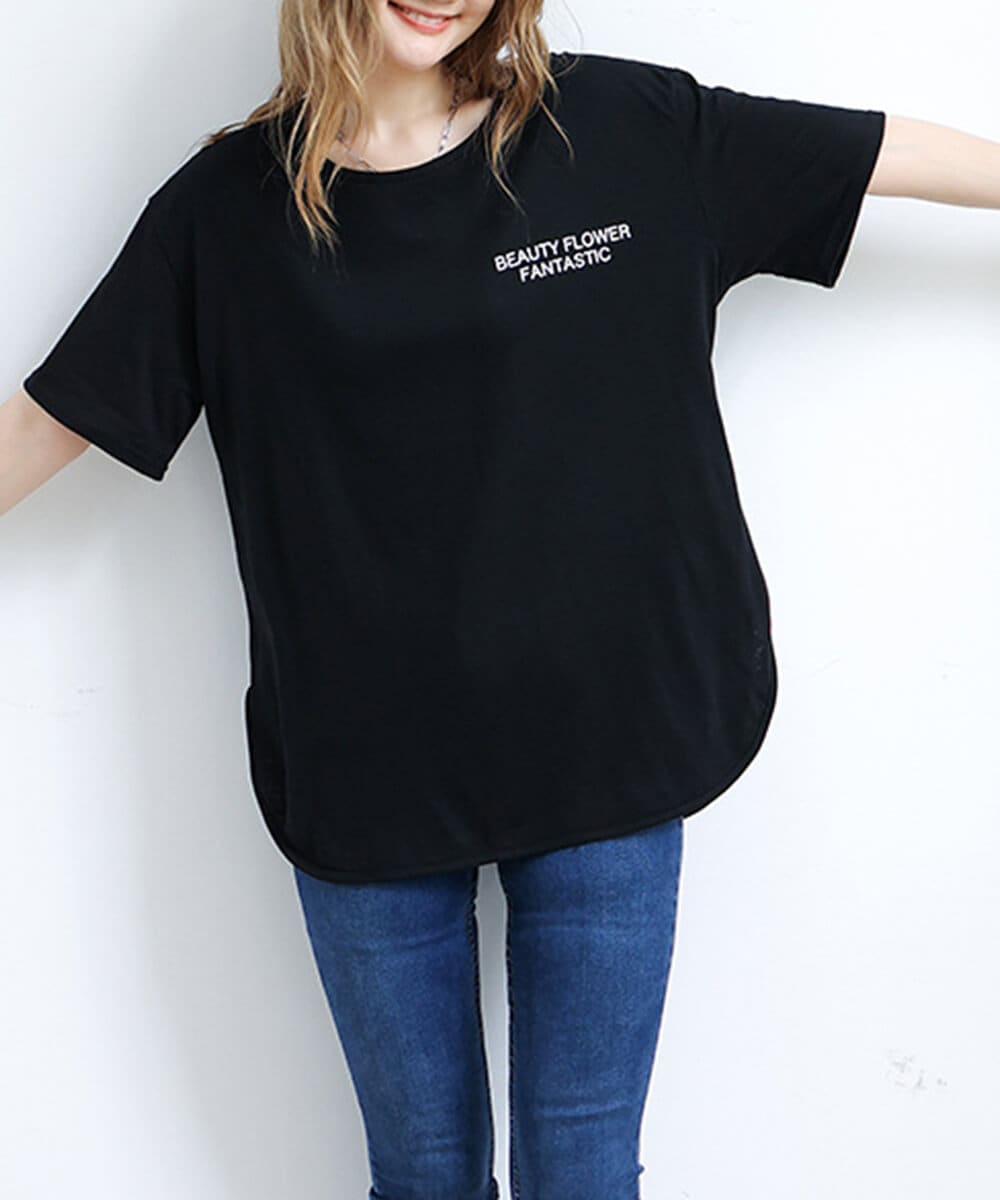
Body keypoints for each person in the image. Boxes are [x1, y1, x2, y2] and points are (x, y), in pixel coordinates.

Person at [3, 1, 998, 1196]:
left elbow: (881, 149)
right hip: (364, 775)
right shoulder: (224, 215)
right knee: (421, 1176)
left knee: (581, 1169)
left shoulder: (619, 126)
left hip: (611, 745)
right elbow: (50, 422)